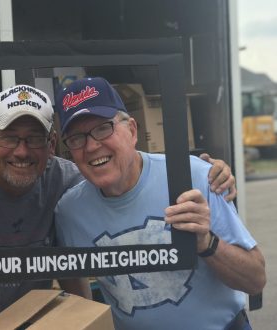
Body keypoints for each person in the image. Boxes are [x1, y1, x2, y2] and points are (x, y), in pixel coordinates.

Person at [0, 84, 236, 310]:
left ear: (51, 144)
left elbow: (125, 179)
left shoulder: (70, 181)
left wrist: (199, 171)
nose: (21, 150)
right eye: (10, 137)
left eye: (33, 138)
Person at [53, 77, 266, 330]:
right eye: (76, 138)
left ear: (132, 130)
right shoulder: (70, 212)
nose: (91, 146)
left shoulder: (194, 177)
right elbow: (76, 295)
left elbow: (255, 279)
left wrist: (206, 243)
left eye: (103, 128)